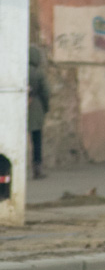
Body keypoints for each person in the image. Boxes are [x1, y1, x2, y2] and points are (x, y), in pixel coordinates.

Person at [28, 46, 50, 180]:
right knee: (36, 140)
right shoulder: (39, 73)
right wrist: (45, 107)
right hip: (36, 108)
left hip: (20, 108)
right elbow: (46, 92)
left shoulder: (19, 70)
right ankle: (37, 169)